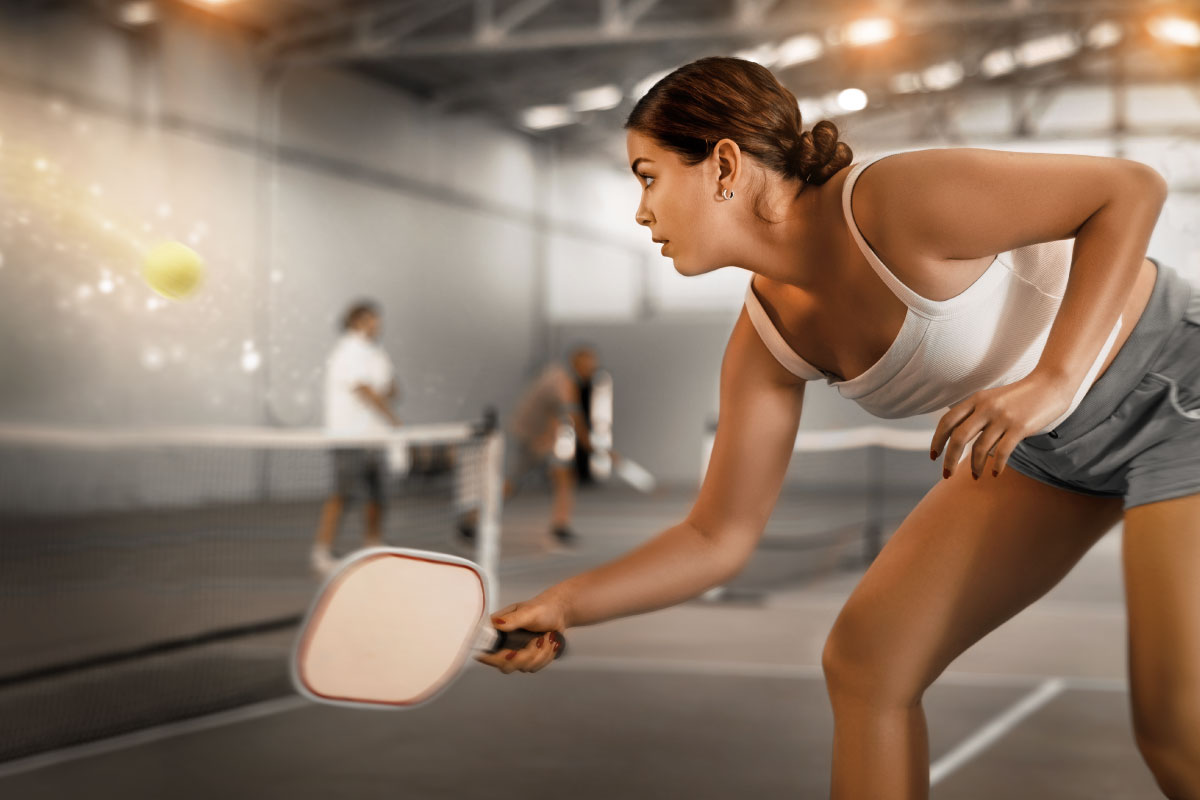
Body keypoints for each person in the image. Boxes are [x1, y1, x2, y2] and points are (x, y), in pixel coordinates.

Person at [475, 56, 1200, 799]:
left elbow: (1127, 189)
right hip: (1045, 451)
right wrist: (565, 604)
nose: (640, 210)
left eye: (648, 174)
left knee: (1177, 730)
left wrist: (1051, 380)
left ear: (723, 164)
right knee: (867, 663)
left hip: (1180, 384)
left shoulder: (891, 202)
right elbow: (714, 539)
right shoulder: (767, 339)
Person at [311, 301, 400, 575]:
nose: (377, 324)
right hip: (349, 436)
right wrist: (393, 418)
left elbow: (393, 388)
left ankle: (374, 545)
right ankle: (321, 551)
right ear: (356, 321)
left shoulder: (377, 353)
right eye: (371, 319)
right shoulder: (347, 351)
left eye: (377, 319)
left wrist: (386, 397)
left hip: (375, 438)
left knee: (378, 494)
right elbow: (364, 389)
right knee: (343, 493)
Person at [505, 346, 598, 547]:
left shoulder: (560, 376)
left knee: (564, 477)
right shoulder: (563, 381)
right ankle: (473, 520)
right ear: (576, 362)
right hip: (529, 436)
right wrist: (588, 445)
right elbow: (574, 417)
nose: (591, 368)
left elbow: (558, 415)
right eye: (588, 364)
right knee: (511, 484)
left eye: (593, 364)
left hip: (543, 438)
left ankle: (560, 526)